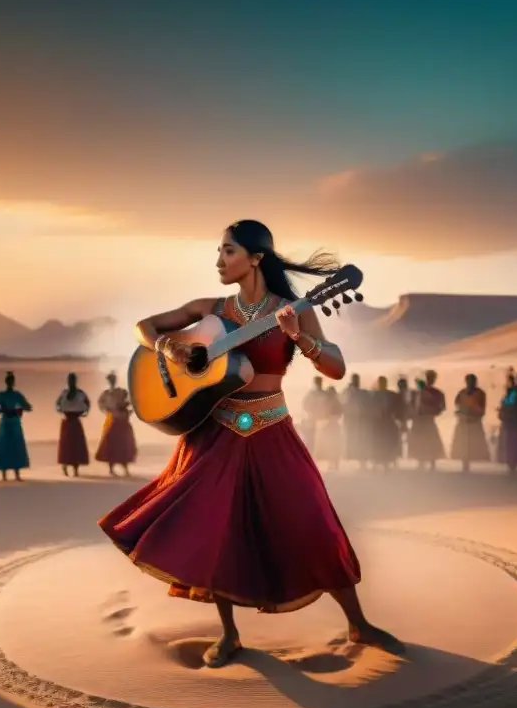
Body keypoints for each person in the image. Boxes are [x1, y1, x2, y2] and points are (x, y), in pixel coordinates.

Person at [98, 219, 402, 668]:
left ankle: (357, 622)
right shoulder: (211, 309)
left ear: (256, 258)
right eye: (219, 251)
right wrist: (171, 349)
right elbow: (145, 327)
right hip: (214, 432)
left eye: (228, 251)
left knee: (313, 522)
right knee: (215, 531)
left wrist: (299, 337)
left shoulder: (296, 308)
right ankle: (229, 635)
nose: (218, 260)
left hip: (272, 430)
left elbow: (336, 367)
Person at [0, 371, 32, 482]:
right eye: (9, 381)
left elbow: (28, 407)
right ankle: (4, 474)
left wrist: (20, 408)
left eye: (11, 381)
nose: (10, 383)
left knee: (15, 446)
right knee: (5, 446)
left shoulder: (17, 395)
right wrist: (2, 409)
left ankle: (16, 473)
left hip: (14, 422)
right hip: (6, 422)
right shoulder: (2, 395)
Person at [95, 371, 137, 477]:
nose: (112, 381)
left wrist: (128, 410)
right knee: (111, 445)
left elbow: (131, 401)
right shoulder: (106, 393)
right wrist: (108, 411)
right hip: (112, 420)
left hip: (122, 420)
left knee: (124, 444)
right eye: (110, 379)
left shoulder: (122, 391)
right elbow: (101, 405)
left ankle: (125, 468)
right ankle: (111, 468)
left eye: (113, 379)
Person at [408, 370, 447, 471]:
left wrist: (430, 412)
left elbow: (441, 407)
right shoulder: (417, 392)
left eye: (431, 378)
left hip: (428, 419)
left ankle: (431, 462)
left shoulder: (437, 393)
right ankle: (421, 461)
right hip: (419, 419)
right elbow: (411, 405)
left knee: (430, 440)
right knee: (420, 440)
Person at [451, 373, 490, 472]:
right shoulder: (462, 393)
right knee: (463, 445)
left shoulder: (480, 393)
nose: (471, 383)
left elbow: (482, 408)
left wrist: (474, 414)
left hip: (474, 422)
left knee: (473, 444)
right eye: (469, 381)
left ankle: (470, 463)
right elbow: (457, 405)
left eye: (472, 381)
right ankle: (465, 463)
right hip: (463, 422)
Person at [56, 372, 91, 477]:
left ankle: (75, 470)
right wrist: (62, 411)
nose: (72, 382)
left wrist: (84, 412)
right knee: (67, 445)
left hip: (75, 420)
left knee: (76, 445)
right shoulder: (64, 392)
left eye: (73, 380)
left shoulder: (80, 393)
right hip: (68, 420)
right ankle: (65, 466)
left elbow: (88, 403)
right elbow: (57, 404)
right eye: (70, 380)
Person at [369, 376, 401, 469]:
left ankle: (386, 462)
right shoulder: (375, 395)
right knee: (378, 442)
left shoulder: (390, 395)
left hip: (387, 422)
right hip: (379, 422)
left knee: (387, 442)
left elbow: (397, 407)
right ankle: (378, 462)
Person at [342, 374, 370, 468]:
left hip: (361, 420)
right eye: (354, 380)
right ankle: (360, 461)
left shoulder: (363, 392)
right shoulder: (349, 392)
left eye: (356, 380)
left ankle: (363, 462)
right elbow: (343, 402)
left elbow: (366, 404)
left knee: (362, 440)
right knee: (355, 440)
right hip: (352, 420)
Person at [316, 386, 344, 471]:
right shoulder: (335, 402)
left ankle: (334, 463)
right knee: (333, 445)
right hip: (332, 425)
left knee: (333, 444)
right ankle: (334, 463)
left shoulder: (333, 402)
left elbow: (338, 413)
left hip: (332, 425)